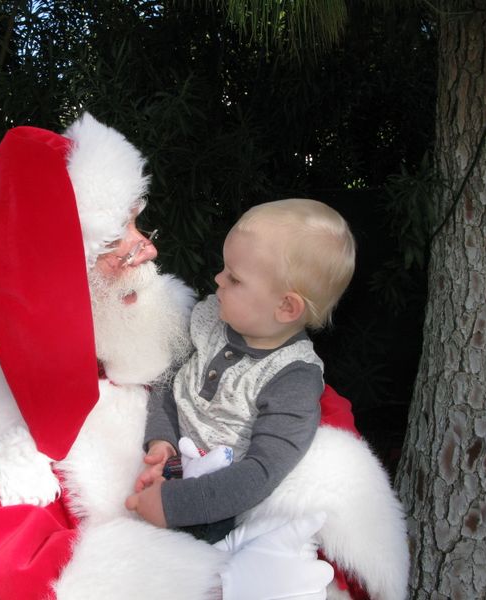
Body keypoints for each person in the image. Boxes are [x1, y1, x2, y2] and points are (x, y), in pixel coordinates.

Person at [0, 113, 409, 600]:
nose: (146, 251)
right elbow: (3, 564)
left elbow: (299, 401)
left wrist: (297, 533)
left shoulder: (163, 314)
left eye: (137, 225)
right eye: (116, 241)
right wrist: (213, 586)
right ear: (50, 273)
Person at [125, 199, 355, 599]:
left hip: (229, 507)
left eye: (234, 278)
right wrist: (160, 441)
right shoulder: (213, 318)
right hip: (177, 471)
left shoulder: (292, 378)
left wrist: (175, 505)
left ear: (286, 306)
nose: (217, 280)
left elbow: (260, 475)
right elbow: (169, 379)